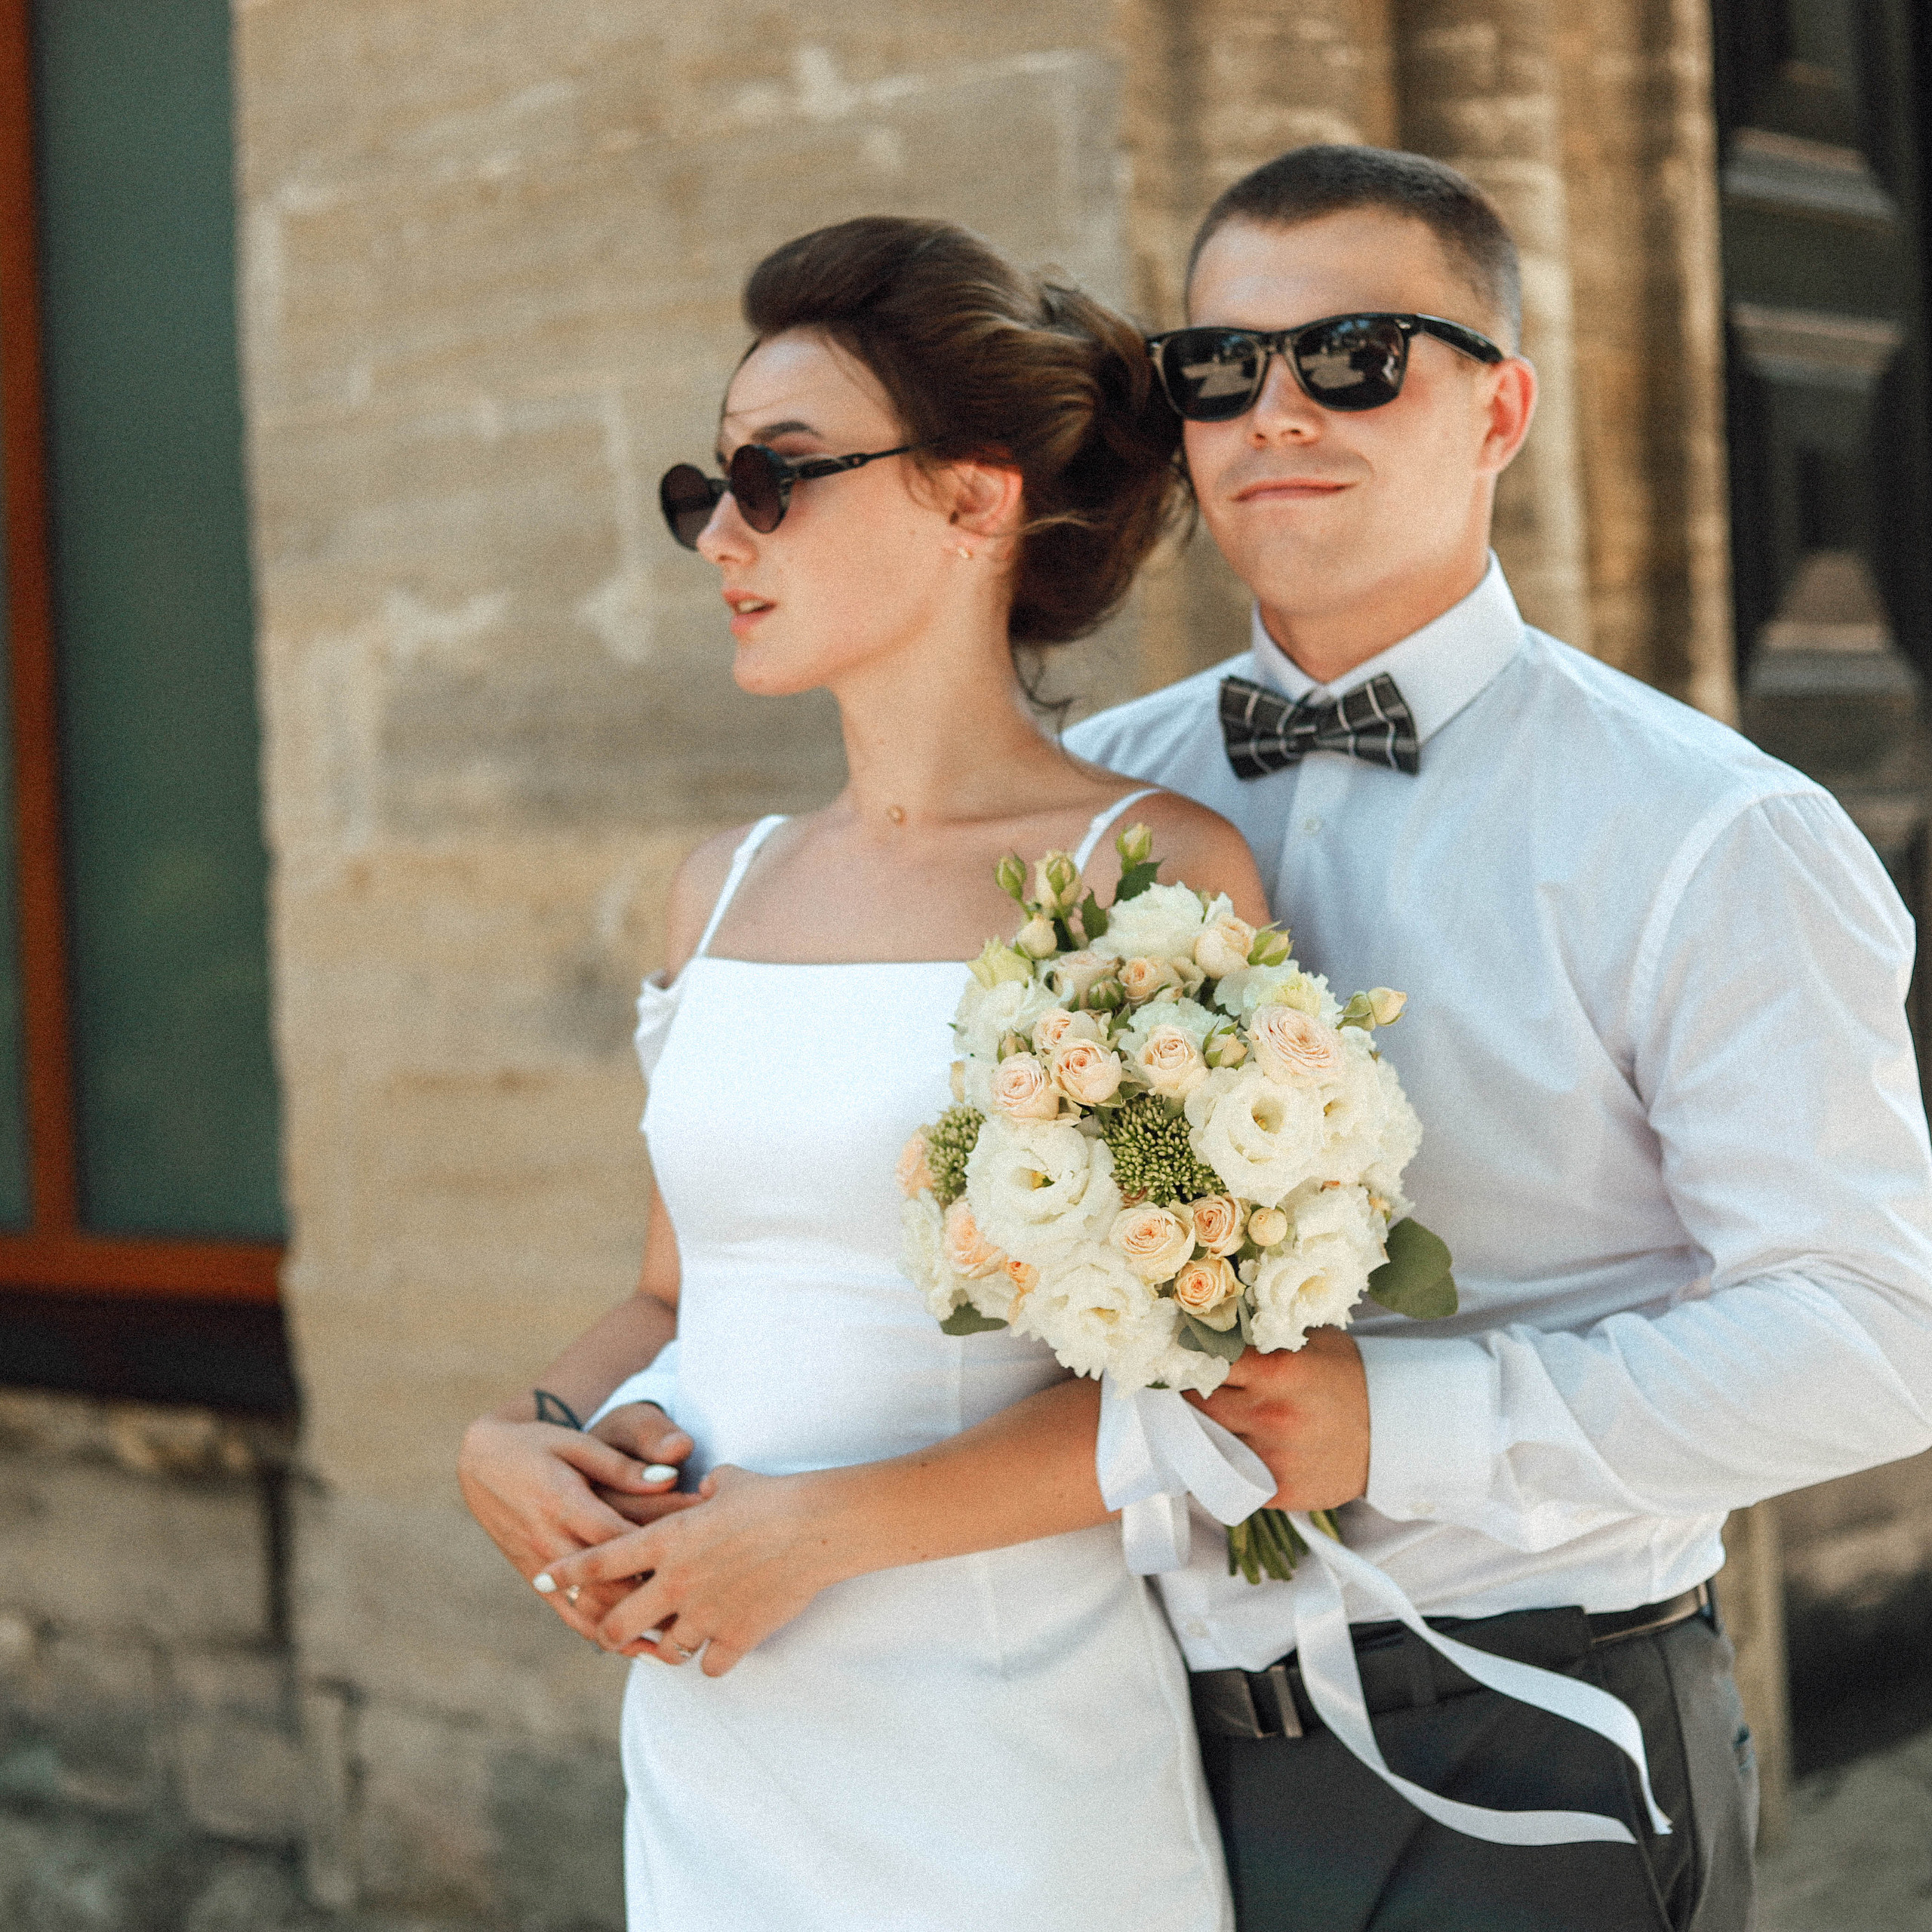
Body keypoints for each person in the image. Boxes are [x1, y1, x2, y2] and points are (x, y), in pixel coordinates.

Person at [1062, 144, 1932, 1931]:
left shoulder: (1706, 829)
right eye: (1215, 368)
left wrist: (1409, 1422)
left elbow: (1873, 1333)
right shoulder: (1090, 804)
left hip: (1529, 1742)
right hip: (1113, 1748)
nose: (1275, 408)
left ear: (1501, 406)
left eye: (1355, 353)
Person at [457, 215, 1266, 1930]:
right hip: (718, 1731)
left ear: (976, 499)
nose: (722, 533)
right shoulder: (721, 885)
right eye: (709, 486)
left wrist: (809, 1536)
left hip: (1000, 1756)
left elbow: (1209, 1381)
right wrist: (524, 1438)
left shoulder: (1139, 878)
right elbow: (671, 1288)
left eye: (781, 474)